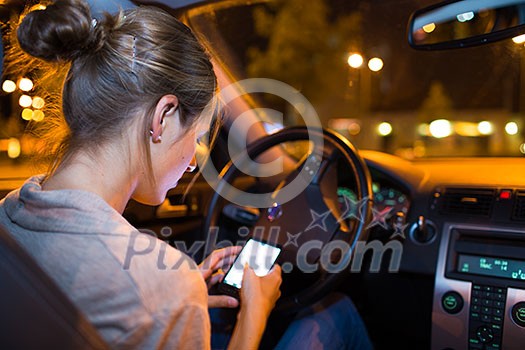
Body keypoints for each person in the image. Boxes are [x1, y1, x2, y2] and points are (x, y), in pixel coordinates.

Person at [0, 0, 372, 349]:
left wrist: (187, 286)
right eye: (197, 138)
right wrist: (252, 315)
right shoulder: (160, 286)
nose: (194, 162)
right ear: (161, 118)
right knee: (339, 314)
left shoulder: (7, 215)